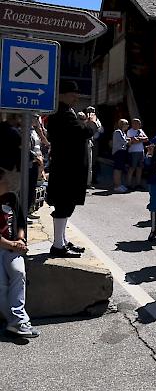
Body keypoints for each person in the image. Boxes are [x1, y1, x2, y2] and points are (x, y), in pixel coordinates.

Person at [46, 80, 94, 258]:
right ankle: (58, 245)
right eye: (72, 95)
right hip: (66, 168)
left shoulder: (66, 112)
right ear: (62, 95)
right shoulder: (62, 113)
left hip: (67, 167)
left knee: (67, 205)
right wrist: (90, 123)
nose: (76, 98)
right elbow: (82, 133)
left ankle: (62, 241)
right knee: (63, 204)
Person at [0, 167, 40, 338]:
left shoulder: (12, 198)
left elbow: (21, 223)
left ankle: (18, 320)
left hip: (13, 247)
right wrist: (12, 244)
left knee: (18, 273)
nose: (8, 183)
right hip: (5, 246)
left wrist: (20, 240)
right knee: (1, 285)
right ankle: (14, 322)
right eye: (3, 181)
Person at [126, 118, 148, 189]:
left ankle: (138, 184)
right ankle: (128, 184)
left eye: (138, 123)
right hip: (133, 151)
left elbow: (146, 139)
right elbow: (132, 140)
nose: (137, 124)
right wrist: (141, 139)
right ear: (132, 124)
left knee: (139, 168)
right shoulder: (130, 131)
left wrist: (138, 139)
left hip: (141, 151)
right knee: (132, 168)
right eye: (135, 123)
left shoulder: (140, 130)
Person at [85, 106, 103, 185]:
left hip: (95, 141)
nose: (91, 112)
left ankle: (92, 178)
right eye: (90, 110)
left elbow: (100, 129)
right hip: (87, 141)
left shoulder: (96, 119)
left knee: (93, 161)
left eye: (93, 111)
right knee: (87, 161)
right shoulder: (85, 118)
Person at [112, 119, 130, 193]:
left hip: (122, 152)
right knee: (117, 169)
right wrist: (130, 141)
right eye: (126, 124)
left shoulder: (123, 133)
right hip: (118, 152)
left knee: (120, 169)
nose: (128, 126)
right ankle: (116, 186)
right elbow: (124, 141)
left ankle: (119, 184)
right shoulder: (117, 132)